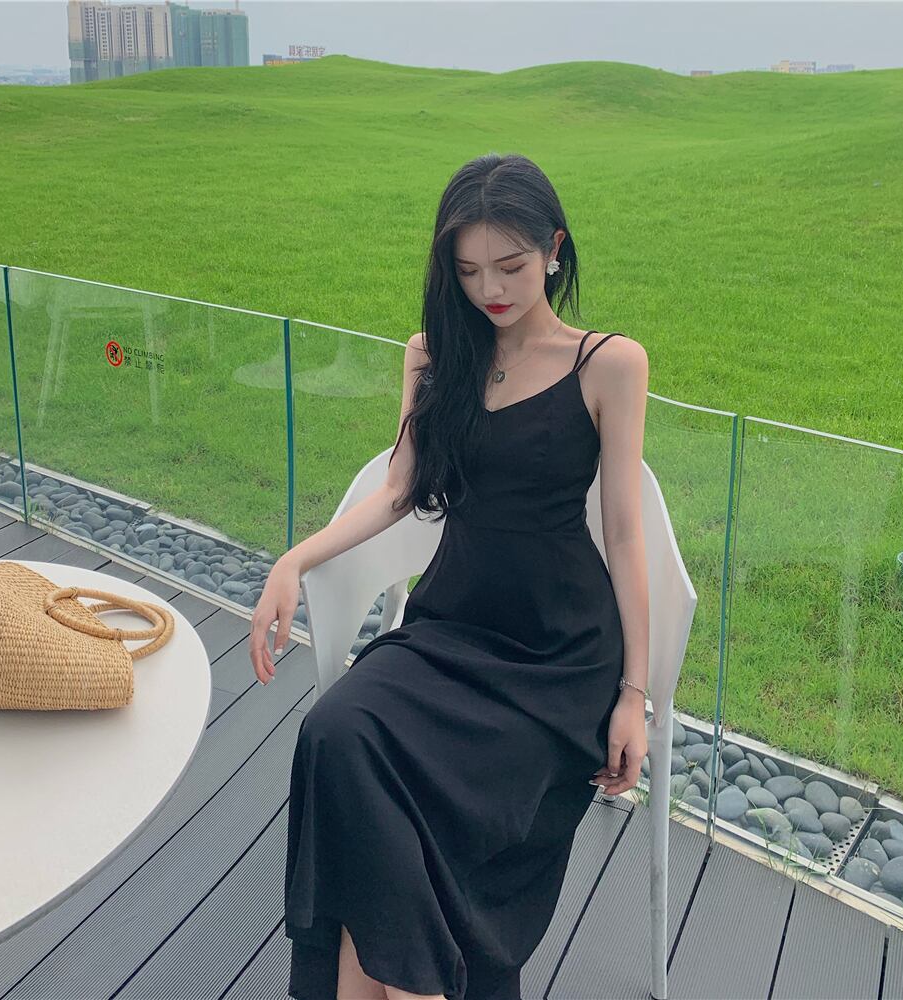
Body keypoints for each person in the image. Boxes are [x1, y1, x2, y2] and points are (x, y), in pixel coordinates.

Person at [249, 152, 650, 1000]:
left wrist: (633, 695)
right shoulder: (434, 356)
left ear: (554, 249)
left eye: (510, 266)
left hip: (556, 656)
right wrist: (295, 557)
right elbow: (400, 488)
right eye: (467, 271)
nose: (490, 290)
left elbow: (624, 534)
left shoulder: (609, 364)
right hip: (450, 624)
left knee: (399, 812)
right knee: (335, 736)